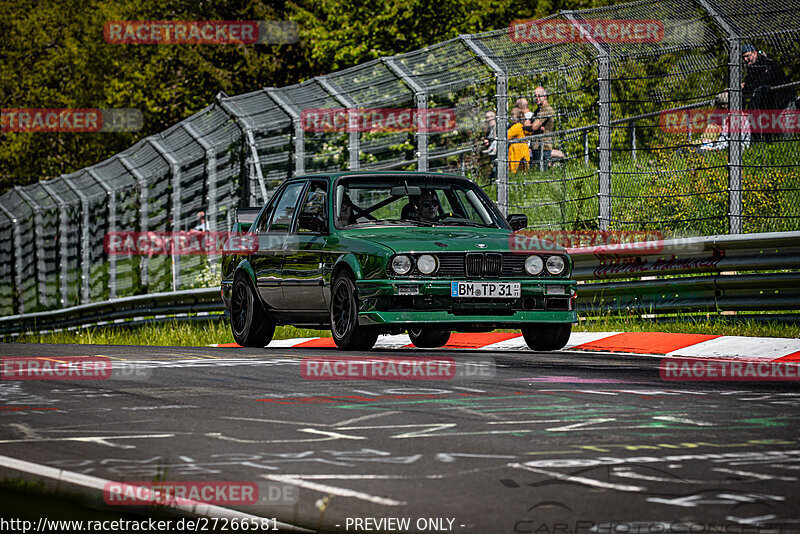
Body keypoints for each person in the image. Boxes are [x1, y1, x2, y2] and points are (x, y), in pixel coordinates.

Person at [529, 87, 555, 163]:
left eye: (539, 96)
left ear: (545, 97)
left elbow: (534, 126)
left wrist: (527, 126)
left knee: (543, 170)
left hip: (544, 146)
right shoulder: (537, 110)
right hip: (536, 145)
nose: (537, 98)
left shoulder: (546, 109)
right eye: (535, 96)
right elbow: (532, 125)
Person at [507, 108, 530, 173]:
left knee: (515, 166)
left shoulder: (516, 126)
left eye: (512, 115)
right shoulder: (522, 125)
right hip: (524, 147)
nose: (511, 118)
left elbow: (507, 135)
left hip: (517, 149)